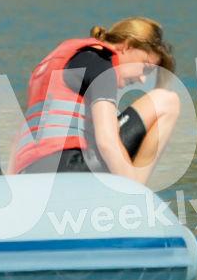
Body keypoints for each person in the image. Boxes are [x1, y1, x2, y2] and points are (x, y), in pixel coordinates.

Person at [10, 17, 179, 185]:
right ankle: (138, 191)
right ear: (127, 46)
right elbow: (107, 142)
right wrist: (133, 190)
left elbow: (19, 140)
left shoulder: (55, 62)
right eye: (145, 66)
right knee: (167, 101)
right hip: (70, 170)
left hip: (27, 177)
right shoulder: (102, 63)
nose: (142, 79)